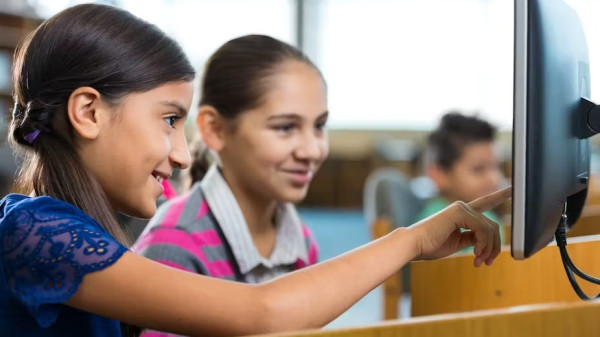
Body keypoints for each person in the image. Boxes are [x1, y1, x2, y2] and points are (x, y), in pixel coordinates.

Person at [0, 4, 510, 337]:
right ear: (89, 112)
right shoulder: (34, 231)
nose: (181, 154)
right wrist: (412, 240)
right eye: (169, 120)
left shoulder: (78, 233)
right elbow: (260, 312)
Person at [133, 35, 324, 299]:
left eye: (319, 126)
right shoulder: (174, 246)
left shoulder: (302, 240)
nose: (312, 151)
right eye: (285, 127)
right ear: (215, 128)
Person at [416, 112, 506, 250]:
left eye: (496, 167)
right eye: (479, 169)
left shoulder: (484, 214)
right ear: (438, 175)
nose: (494, 178)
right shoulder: (435, 226)